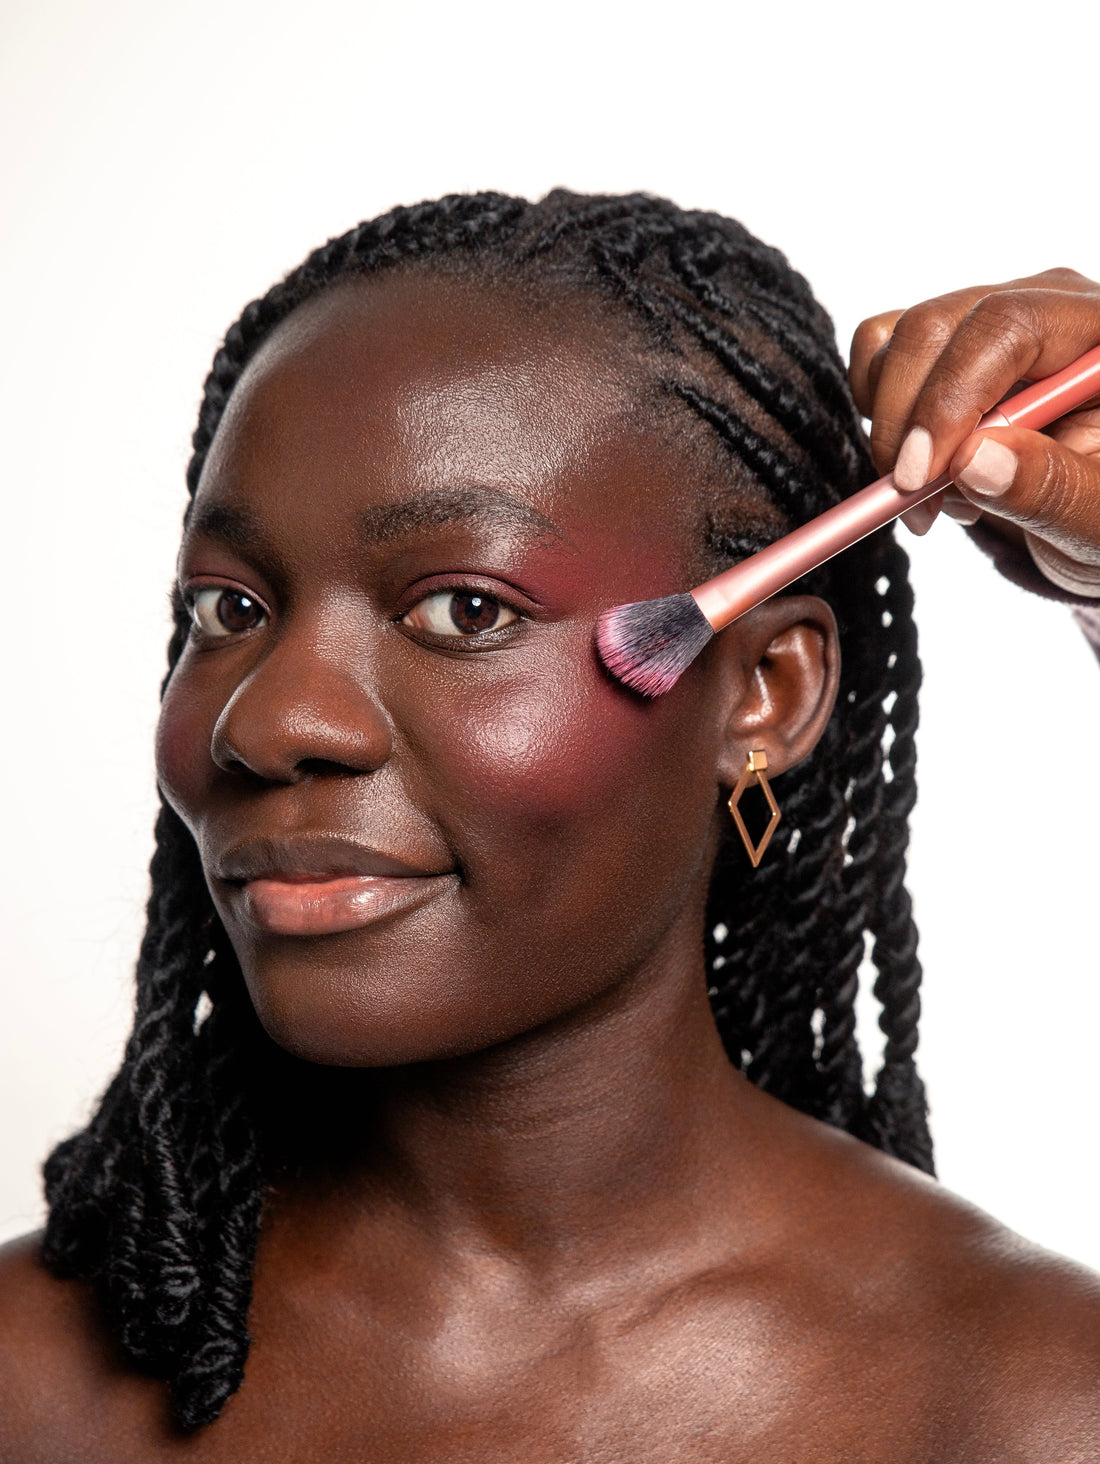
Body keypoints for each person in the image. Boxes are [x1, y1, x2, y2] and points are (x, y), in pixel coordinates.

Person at [1, 190, 1098, 1461]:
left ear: (765, 692)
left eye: (464, 611)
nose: (272, 721)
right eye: (229, 611)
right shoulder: (29, 1387)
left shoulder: (1030, 1408)